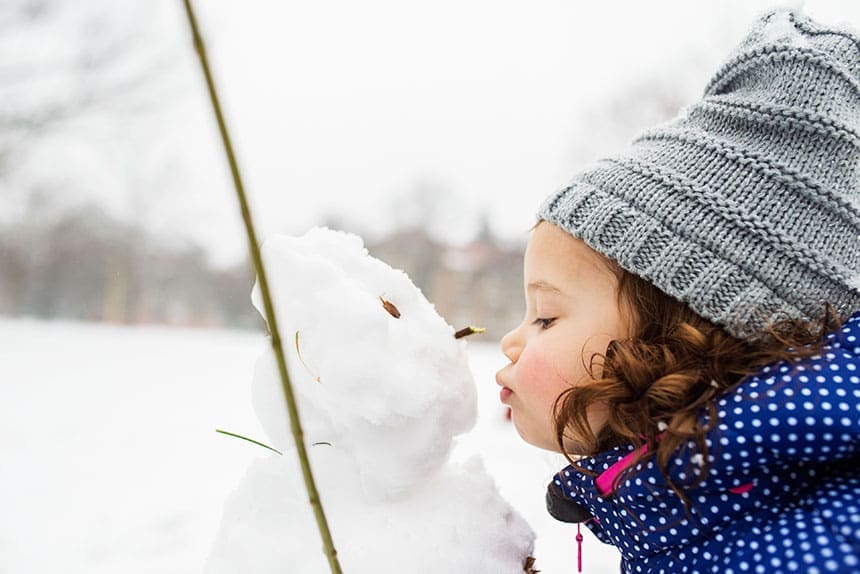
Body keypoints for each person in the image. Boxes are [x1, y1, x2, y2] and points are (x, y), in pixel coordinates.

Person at [496, 10, 860, 574]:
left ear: (682, 337)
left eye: (545, 316)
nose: (511, 341)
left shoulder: (813, 546)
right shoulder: (697, 510)